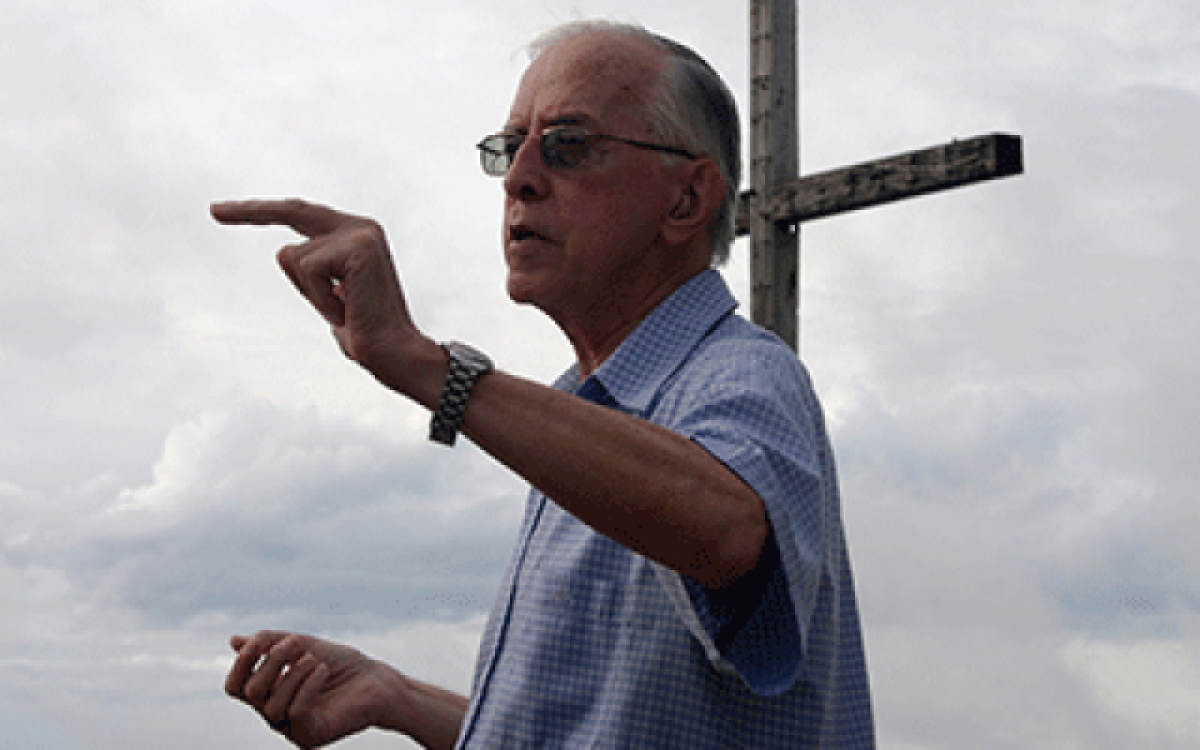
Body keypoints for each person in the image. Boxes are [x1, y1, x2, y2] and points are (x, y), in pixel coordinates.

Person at [213, 19, 874, 750]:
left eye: (568, 145)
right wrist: (398, 697)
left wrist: (428, 366)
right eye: (509, 147)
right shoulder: (578, 416)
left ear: (687, 200)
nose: (519, 178)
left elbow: (729, 532)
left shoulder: (743, 372)